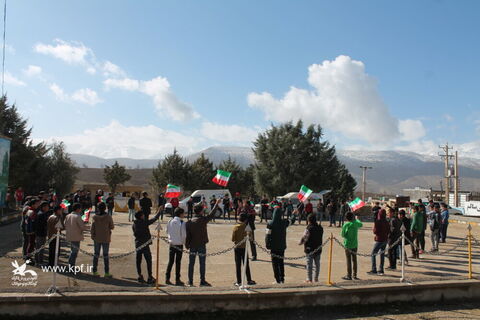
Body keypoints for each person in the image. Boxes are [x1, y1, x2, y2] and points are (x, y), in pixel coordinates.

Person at [185, 199, 221, 287]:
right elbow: (212, 214)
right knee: (202, 263)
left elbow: (187, 236)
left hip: (192, 245)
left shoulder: (188, 222)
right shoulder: (203, 220)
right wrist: (216, 203)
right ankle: (202, 281)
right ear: (201, 212)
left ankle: (190, 281)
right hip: (201, 244)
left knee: (191, 264)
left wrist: (186, 245)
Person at [132, 206, 164, 284]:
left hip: (138, 244)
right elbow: (154, 219)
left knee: (138, 261)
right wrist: (159, 211)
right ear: (141, 216)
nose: (144, 216)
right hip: (145, 245)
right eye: (143, 215)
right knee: (148, 260)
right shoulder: (144, 222)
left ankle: (140, 275)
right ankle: (150, 276)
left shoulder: (134, 224)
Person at [266, 203, 290, 284]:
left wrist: (267, 244)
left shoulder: (270, 224)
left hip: (273, 247)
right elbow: (291, 221)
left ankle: (277, 280)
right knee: (281, 263)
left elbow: (267, 235)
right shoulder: (284, 223)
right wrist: (293, 215)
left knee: (275, 264)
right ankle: (282, 279)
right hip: (282, 246)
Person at [231, 213, 256, 286]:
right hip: (244, 248)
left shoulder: (236, 227)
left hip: (237, 248)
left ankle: (239, 281)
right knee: (246, 264)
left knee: (238, 265)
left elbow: (233, 239)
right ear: (245, 220)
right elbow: (250, 236)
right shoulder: (247, 227)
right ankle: (249, 279)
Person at [91, 202, 114, 277]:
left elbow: (92, 228)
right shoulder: (108, 216)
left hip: (97, 238)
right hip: (106, 237)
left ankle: (95, 271)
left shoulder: (94, 217)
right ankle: (106, 272)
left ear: (97, 208)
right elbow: (112, 227)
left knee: (96, 254)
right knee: (106, 255)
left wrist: (92, 235)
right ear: (105, 208)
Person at [299, 214, 324, 283]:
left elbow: (304, 238)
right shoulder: (320, 227)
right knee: (317, 264)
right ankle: (316, 278)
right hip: (318, 248)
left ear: (309, 220)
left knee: (309, 265)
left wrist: (300, 242)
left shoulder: (309, 228)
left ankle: (309, 279)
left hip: (309, 249)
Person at [64, 203, 89, 268]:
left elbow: (65, 224)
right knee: (74, 252)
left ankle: (71, 265)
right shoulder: (78, 216)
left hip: (69, 235)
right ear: (78, 209)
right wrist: (88, 227)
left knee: (72, 251)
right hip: (76, 236)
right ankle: (71, 265)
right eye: (80, 208)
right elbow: (82, 227)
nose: (81, 210)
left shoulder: (68, 215)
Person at [166, 207, 186, 286]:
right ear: (180, 214)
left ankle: (167, 278)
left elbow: (167, 231)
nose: (184, 215)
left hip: (172, 244)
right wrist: (184, 243)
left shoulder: (170, 221)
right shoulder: (182, 222)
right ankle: (177, 279)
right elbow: (184, 235)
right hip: (179, 244)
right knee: (178, 262)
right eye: (183, 213)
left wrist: (170, 238)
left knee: (170, 261)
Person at [341, 211, 363, 280]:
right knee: (354, 260)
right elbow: (361, 224)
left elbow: (342, 235)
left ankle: (349, 275)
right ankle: (355, 275)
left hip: (347, 244)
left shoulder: (346, 225)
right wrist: (356, 219)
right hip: (354, 244)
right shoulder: (355, 223)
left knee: (348, 260)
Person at [368, 209, 390, 275]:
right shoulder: (386, 221)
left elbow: (375, 231)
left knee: (373, 253)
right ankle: (381, 269)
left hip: (379, 239)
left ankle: (374, 269)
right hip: (385, 239)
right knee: (382, 254)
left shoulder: (378, 221)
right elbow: (388, 230)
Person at [24, 198, 41, 265]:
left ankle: (29, 257)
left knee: (31, 244)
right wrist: (32, 231)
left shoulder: (31, 210)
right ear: (33, 204)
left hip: (31, 231)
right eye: (36, 204)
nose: (38, 205)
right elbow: (29, 222)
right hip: (32, 231)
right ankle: (28, 258)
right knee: (31, 244)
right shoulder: (31, 211)